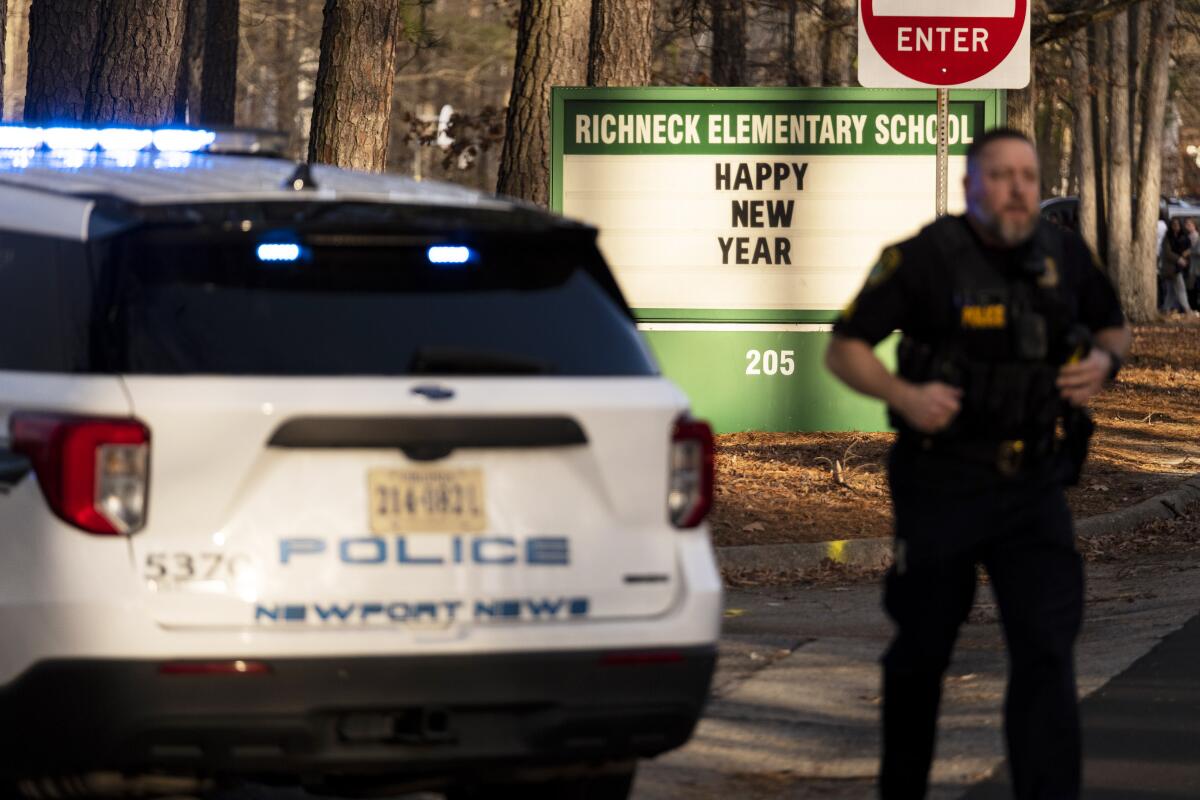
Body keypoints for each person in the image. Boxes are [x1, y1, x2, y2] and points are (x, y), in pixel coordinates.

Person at [825, 128, 1131, 800]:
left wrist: (1104, 364)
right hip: (942, 482)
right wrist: (903, 393)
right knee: (923, 652)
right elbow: (844, 347)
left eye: (1027, 174)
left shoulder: (1062, 253)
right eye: (1000, 175)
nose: (1018, 188)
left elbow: (1114, 326)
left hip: (1034, 484)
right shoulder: (925, 258)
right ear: (970, 184)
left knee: (1047, 650)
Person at [1160, 217, 1193, 315]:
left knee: (1171, 292)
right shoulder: (1167, 238)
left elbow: (1188, 248)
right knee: (1181, 289)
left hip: (1179, 267)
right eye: (1173, 224)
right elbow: (1167, 253)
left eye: (1177, 224)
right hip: (1171, 268)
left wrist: (1187, 253)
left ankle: (1165, 309)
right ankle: (1188, 310)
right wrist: (1179, 259)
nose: (1176, 226)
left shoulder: (1183, 236)